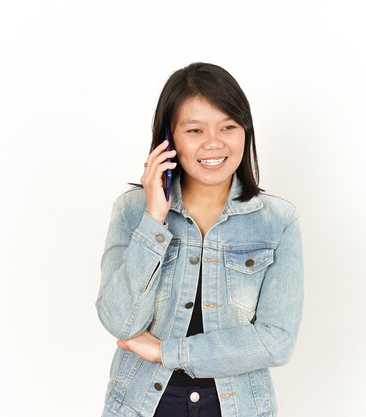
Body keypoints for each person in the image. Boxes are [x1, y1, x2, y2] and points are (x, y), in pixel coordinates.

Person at [96, 62, 304, 417]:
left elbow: (276, 341)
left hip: (239, 407)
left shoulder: (278, 222)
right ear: (168, 138)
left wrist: (167, 352)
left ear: (245, 132)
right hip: (139, 405)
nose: (214, 143)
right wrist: (155, 219)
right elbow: (121, 323)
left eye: (228, 127)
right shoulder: (133, 212)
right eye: (195, 130)